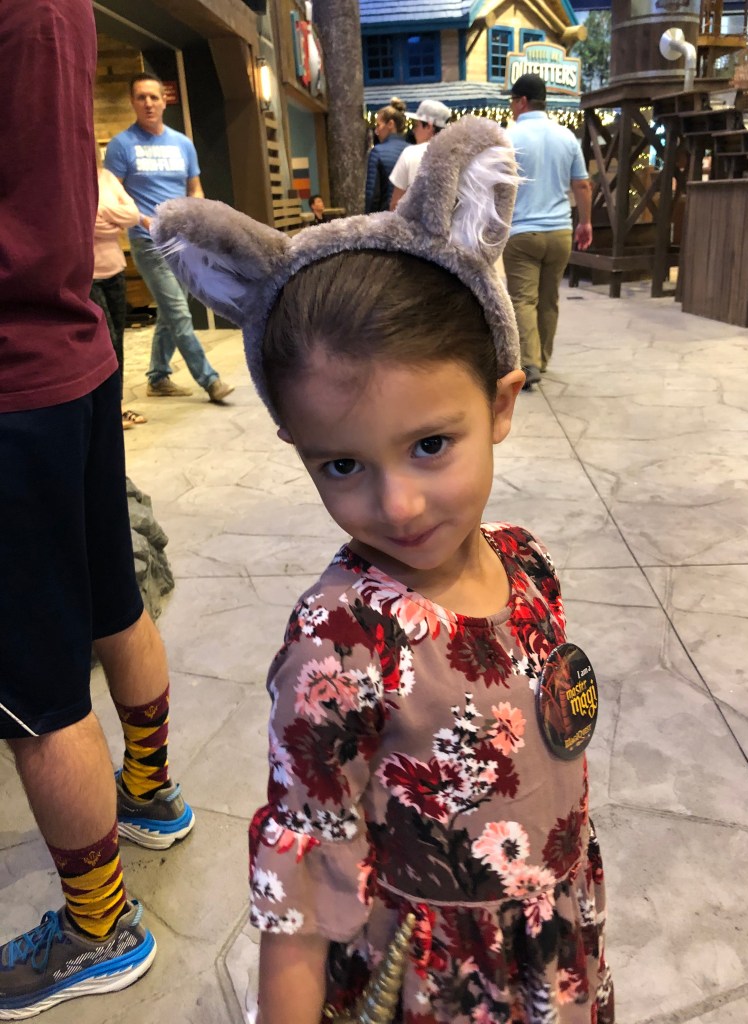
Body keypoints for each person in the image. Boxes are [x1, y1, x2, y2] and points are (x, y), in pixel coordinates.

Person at [153, 116, 614, 1024]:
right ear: (297, 447)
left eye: (431, 444)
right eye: (342, 464)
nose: (397, 505)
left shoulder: (528, 565)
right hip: (432, 983)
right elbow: (300, 887)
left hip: (551, 942)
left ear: (502, 403)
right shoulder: (341, 643)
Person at [0, 2, 195, 1017]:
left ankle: (98, 927)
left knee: (33, 691)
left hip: (10, 378)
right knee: (113, 597)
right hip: (72, 343)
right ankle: (151, 792)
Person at [104, 72, 234, 403]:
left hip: (182, 241)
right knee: (178, 311)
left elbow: (195, 188)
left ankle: (158, 376)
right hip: (147, 240)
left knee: (168, 310)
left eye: (154, 97)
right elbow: (111, 192)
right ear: (132, 102)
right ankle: (210, 380)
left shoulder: (182, 144)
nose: (148, 103)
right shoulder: (121, 145)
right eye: (141, 97)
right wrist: (142, 219)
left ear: (164, 101)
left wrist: (197, 217)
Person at [502, 73, 592, 390]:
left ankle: (529, 363)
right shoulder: (567, 137)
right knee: (549, 299)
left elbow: (497, 187)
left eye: (513, 101)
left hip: (522, 233)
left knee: (522, 300)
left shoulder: (509, 138)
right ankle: (542, 359)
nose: (511, 107)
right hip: (559, 232)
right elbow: (582, 185)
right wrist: (585, 222)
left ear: (523, 102)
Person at [91, 148, 149, 429]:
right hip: (88, 274)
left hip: (115, 269)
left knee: (119, 343)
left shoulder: (107, 178)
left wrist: (102, 213)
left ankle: (117, 406)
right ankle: (105, 410)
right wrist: (113, 220)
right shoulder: (74, 181)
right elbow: (85, 223)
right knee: (106, 343)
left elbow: (133, 214)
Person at [388, 99, 452, 210]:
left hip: (412, 220)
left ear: (429, 127)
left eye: (416, 125)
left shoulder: (410, 153)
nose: (414, 131)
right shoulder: (454, 154)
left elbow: (395, 204)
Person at [365, 98, 410, 213]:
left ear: (390, 124)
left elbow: (373, 196)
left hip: (386, 217)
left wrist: (368, 218)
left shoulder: (377, 152)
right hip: (411, 217)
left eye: (378, 125)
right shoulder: (412, 150)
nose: (376, 131)